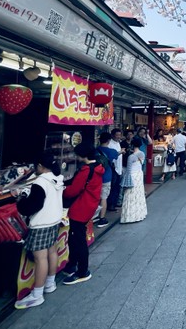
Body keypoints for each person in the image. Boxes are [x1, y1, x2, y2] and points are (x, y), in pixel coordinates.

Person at [13, 151, 64, 309]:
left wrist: (20, 199)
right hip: (55, 219)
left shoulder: (40, 182)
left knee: (40, 258)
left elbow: (32, 207)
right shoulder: (58, 178)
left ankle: (37, 294)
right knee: (52, 252)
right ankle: (50, 283)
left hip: (42, 223)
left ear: (40, 166)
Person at [62, 143, 104, 284]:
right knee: (75, 238)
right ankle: (72, 264)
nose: (76, 157)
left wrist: (61, 190)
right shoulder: (98, 167)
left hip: (80, 208)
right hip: (89, 206)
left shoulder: (86, 170)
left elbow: (73, 191)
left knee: (78, 240)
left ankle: (82, 271)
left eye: (78, 154)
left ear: (83, 155)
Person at [121, 137, 147, 223]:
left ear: (132, 145)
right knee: (138, 194)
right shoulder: (142, 154)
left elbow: (128, 170)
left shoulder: (131, 157)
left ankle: (129, 217)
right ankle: (140, 214)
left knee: (129, 194)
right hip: (139, 175)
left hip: (132, 175)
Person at [96, 132, 119, 226]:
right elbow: (116, 155)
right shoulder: (111, 151)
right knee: (104, 197)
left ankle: (93, 216)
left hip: (95, 177)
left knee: (95, 196)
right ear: (109, 141)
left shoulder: (95, 150)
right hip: (106, 176)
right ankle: (102, 218)